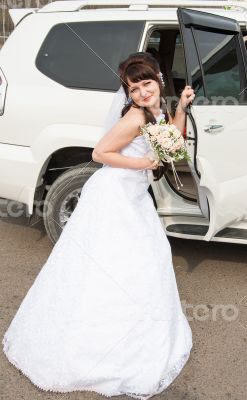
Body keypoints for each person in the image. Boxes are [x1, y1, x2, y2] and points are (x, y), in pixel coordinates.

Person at [2, 52, 195, 400]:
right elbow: (99, 153)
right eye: (133, 88)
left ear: (159, 81)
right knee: (108, 266)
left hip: (133, 197)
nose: (140, 93)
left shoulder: (157, 111)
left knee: (140, 264)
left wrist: (180, 107)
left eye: (146, 84)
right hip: (114, 195)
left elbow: (173, 143)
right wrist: (142, 162)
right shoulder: (135, 116)